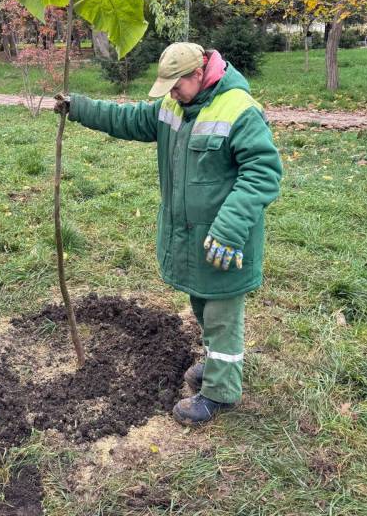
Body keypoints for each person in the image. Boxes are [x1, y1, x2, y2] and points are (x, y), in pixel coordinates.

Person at [55, 42, 282, 426]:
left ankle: (220, 394)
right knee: (202, 307)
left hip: (227, 241)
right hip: (192, 242)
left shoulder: (240, 110)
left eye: (176, 85)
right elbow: (127, 118)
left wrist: (228, 230)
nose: (171, 94)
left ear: (199, 74)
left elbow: (263, 173)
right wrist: (78, 107)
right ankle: (215, 367)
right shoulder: (174, 106)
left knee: (223, 313)